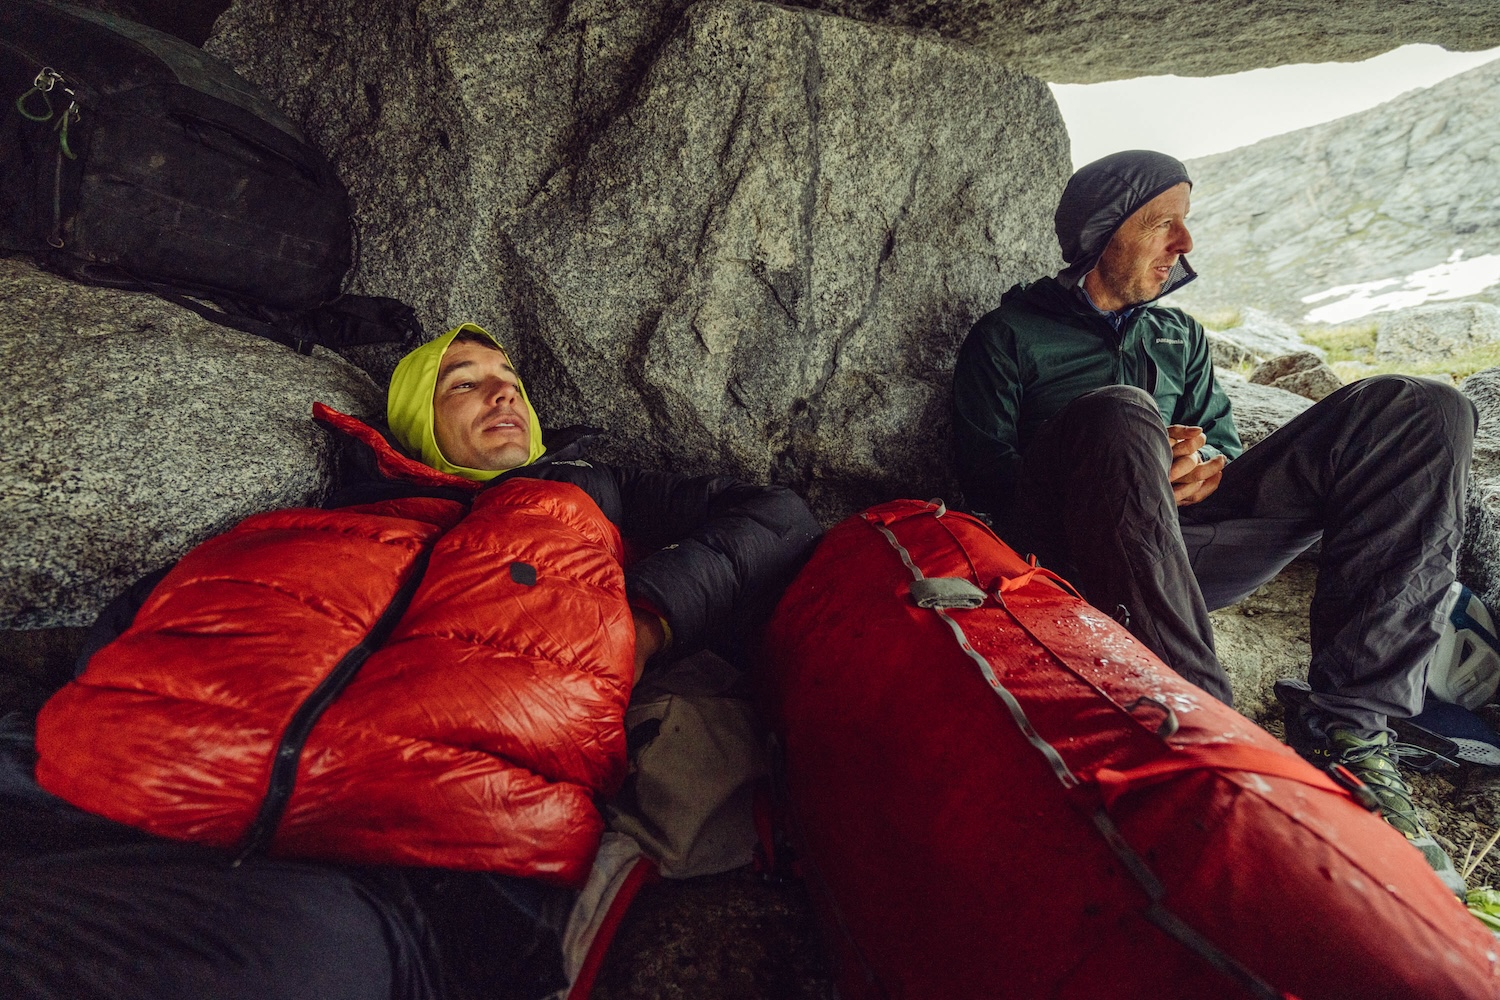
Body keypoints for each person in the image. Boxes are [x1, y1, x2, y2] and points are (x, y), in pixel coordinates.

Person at [0, 323, 821, 1000]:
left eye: (513, 381)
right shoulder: (338, 516)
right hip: (95, 783)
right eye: (463, 381)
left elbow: (779, 517)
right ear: (411, 419)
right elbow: (142, 618)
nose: (503, 392)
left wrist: (639, 622)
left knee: (291, 956)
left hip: (383, 869)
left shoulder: (581, 500)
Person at [951, 150, 1476, 894]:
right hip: (1073, 557)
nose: (1185, 245)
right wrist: (1119, 453)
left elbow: (1221, 440)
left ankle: (1351, 731)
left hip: (1191, 549)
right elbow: (985, 483)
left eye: (1186, 225)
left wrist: (1202, 466)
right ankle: (1212, 737)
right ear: (1103, 231)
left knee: (1424, 408)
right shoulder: (1008, 337)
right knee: (1121, 411)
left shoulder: (1181, 338)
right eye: (1163, 224)